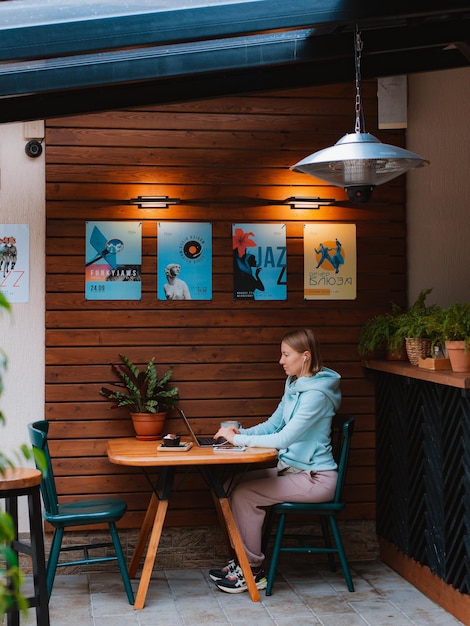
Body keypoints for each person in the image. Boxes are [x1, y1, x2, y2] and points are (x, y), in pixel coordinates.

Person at [209, 328, 341, 594]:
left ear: (305, 356)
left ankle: (253, 571)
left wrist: (237, 442)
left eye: (285, 355)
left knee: (245, 494)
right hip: (293, 471)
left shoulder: (316, 395)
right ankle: (241, 561)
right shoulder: (295, 384)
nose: (281, 361)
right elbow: (274, 424)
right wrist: (241, 433)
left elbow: (284, 438)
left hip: (315, 478)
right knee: (231, 483)